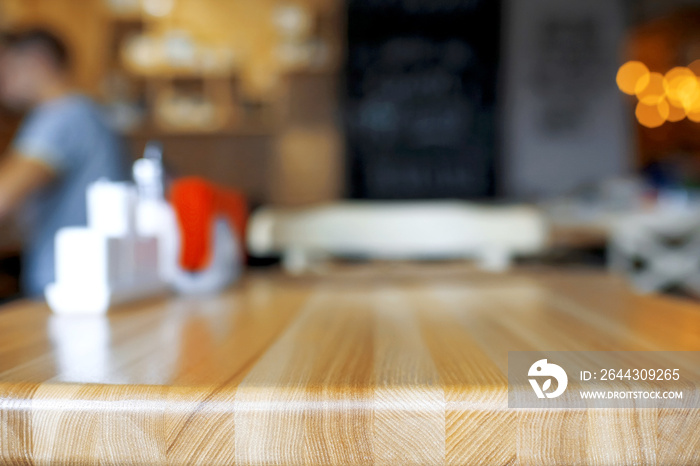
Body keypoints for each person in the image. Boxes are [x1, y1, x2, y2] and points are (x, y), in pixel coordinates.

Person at [0, 29, 129, 297]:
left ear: (38, 60)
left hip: (66, 282)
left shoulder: (61, 116)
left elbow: (3, 197)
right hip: (91, 278)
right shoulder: (89, 112)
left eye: (7, 63)